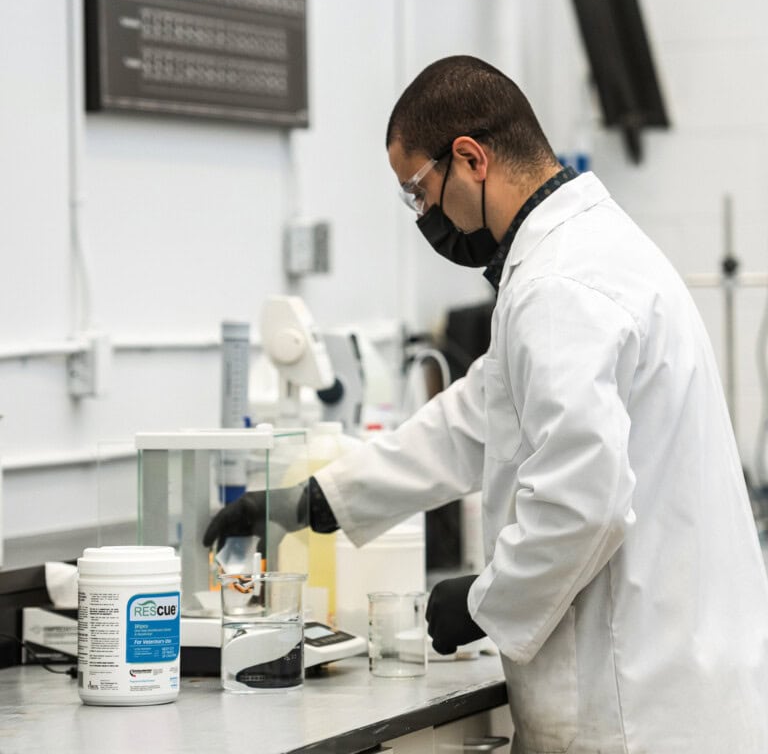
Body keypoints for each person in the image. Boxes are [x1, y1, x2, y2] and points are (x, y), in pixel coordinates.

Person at [205, 56, 768, 753]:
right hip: (677, 694)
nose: (424, 215)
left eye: (418, 191)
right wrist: (313, 501)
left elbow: (583, 498)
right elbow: (475, 419)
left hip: (637, 711)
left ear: (470, 157)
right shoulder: (584, 254)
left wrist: (483, 601)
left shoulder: (561, 285)